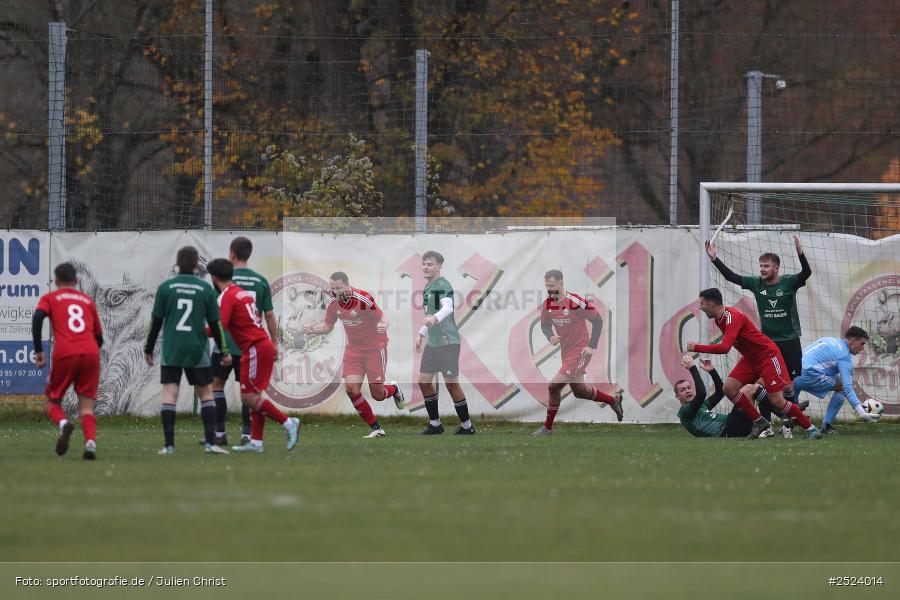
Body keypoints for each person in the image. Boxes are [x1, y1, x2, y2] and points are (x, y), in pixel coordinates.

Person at [705, 236, 811, 433]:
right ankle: (767, 425)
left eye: (767, 266)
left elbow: (806, 273)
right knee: (762, 386)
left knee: (788, 388)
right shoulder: (757, 284)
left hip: (790, 342)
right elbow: (732, 277)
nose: (762, 269)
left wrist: (801, 254)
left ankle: (789, 424)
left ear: (776, 268)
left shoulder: (788, 282)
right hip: (768, 345)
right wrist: (714, 258)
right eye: (761, 265)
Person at [687, 287, 822, 440]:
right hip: (751, 359)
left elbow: (725, 348)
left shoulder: (731, 317)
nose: (700, 307)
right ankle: (760, 421)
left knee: (776, 400)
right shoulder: (720, 320)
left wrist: (697, 347)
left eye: (702, 303)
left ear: (710, 304)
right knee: (728, 388)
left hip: (767, 356)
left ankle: (811, 429)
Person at [144, 246, 231, 455]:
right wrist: (225, 350)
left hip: (172, 348)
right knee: (206, 395)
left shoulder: (166, 287)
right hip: (197, 348)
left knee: (169, 395)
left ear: (177, 263)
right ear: (195, 265)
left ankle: (169, 446)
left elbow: (156, 321)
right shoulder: (206, 289)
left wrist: (148, 348)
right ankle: (211, 443)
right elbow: (216, 323)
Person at [207, 259, 299, 452]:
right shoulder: (240, 293)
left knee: (248, 398)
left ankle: (289, 422)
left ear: (214, 278)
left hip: (255, 348)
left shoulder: (227, 295)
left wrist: (198, 331)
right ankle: (256, 442)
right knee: (254, 396)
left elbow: (220, 326)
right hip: (260, 346)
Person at [304, 272, 404, 438]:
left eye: (339, 288)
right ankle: (376, 429)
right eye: (333, 288)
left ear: (347, 285)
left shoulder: (363, 299)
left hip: (374, 347)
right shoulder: (333, 304)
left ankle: (394, 389)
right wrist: (313, 329)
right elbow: (328, 325)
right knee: (351, 388)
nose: (336, 291)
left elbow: (382, 317)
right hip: (354, 350)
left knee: (377, 395)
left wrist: (383, 326)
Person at [206, 236, 280, 447]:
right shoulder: (260, 281)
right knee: (251, 392)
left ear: (231, 254)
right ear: (248, 254)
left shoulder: (223, 278)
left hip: (226, 342)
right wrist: (275, 343)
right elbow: (269, 315)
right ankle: (248, 434)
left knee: (216, 385)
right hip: (252, 345)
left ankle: (219, 432)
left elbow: (216, 312)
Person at [532, 270, 623, 435]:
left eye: (552, 285)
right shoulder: (548, 304)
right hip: (566, 352)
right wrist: (550, 336)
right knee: (580, 391)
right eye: (547, 286)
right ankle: (613, 400)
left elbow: (597, 320)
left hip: (580, 351)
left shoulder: (574, 301)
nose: (549, 289)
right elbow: (544, 325)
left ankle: (547, 428)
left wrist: (591, 346)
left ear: (561, 283)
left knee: (553, 387)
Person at [33, 262, 103, 460]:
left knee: (52, 400)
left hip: (65, 352)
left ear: (55, 281)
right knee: (87, 407)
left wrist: (39, 350)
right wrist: (91, 355)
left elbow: (38, 318)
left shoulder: (50, 297)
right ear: (76, 280)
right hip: (90, 353)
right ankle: (90, 443)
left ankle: (64, 424)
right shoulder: (87, 301)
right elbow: (99, 338)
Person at [416, 251, 473, 435]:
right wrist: (421, 333)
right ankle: (435, 424)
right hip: (433, 344)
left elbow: (447, 307)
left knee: (451, 384)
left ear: (439, 266)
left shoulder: (443, 285)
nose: (426, 267)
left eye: (430, 264)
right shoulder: (427, 287)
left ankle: (467, 426)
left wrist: (434, 318)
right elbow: (429, 317)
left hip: (448, 343)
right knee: (424, 382)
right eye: (424, 263)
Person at [793, 327, 879, 433]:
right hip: (809, 375)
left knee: (792, 392)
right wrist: (861, 412)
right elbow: (847, 388)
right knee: (843, 386)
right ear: (852, 340)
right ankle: (826, 425)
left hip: (794, 372)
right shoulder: (843, 355)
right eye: (862, 344)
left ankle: (789, 421)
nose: (862, 348)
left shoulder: (828, 339)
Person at [675, 355, 758, 437]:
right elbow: (701, 394)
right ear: (677, 397)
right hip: (730, 430)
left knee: (754, 386)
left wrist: (712, 371)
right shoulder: (685, 413)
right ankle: (764, 425)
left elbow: (720, 392)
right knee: (748, 389)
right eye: (682, 390)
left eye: (689, 387)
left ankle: (762, 425)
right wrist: (692, 367)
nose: (687, 391)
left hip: (734, 424)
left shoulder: (701, 406)